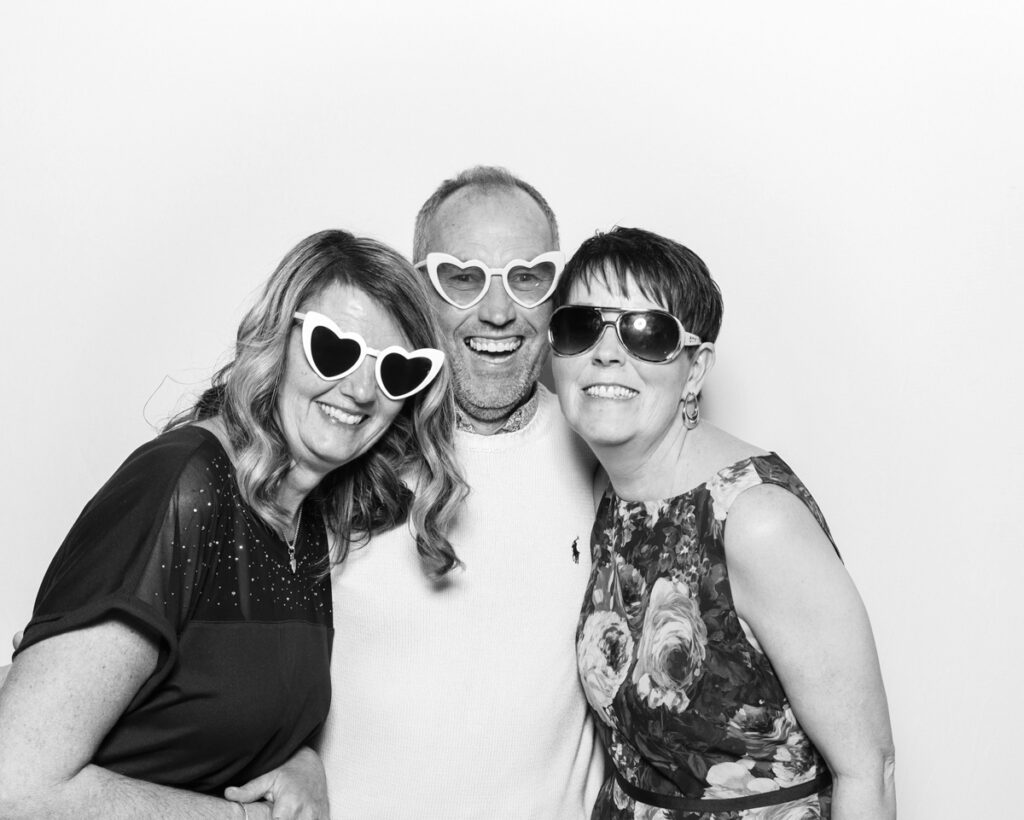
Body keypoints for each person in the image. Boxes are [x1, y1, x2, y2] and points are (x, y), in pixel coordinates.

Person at [0, 229, 465, 819]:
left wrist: (302, 760)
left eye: (396, 371)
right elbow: (14, 785)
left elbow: (217, 699)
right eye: (335, 349)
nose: (360, 389)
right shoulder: (185, 485)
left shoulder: (308, 516)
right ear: (277, 339)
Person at [550, 227, 896, 819]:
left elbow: (869, 770)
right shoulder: (613, 495)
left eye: (646, 333)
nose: (607, 353)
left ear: (694, 370)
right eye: (583, 327)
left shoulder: (756, 520)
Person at [315, 167, 606, 817]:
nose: (498, 311)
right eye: (463, 277)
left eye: (527, 277)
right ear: (420, 293)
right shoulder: (347, 445)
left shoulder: (607, 454)